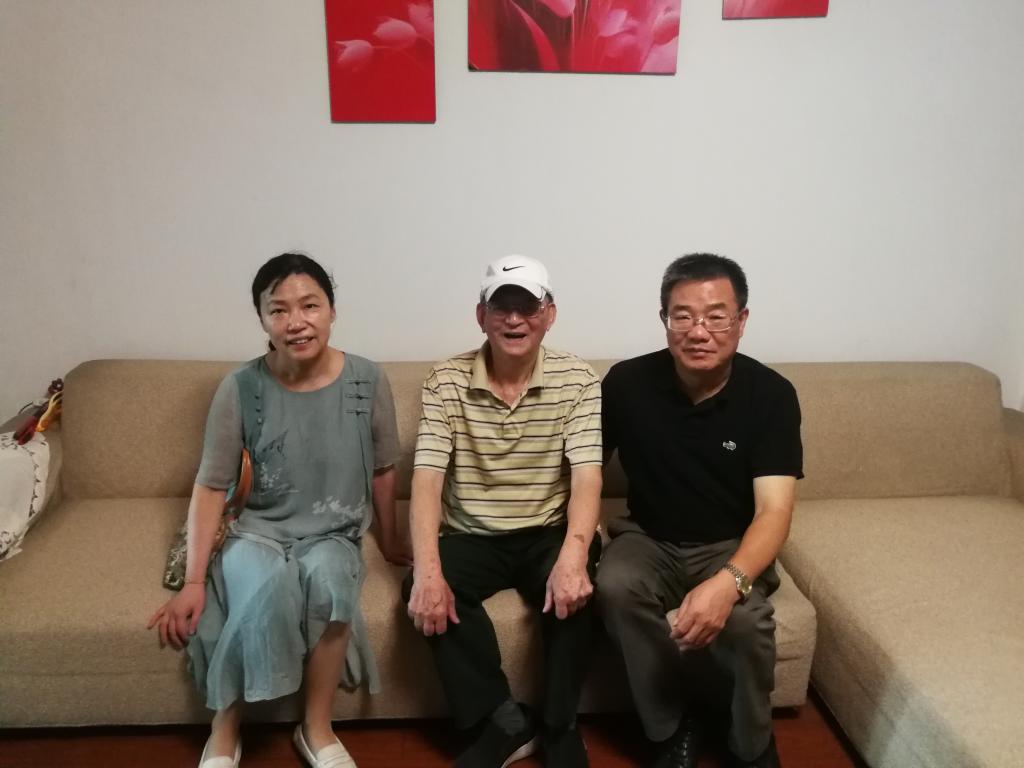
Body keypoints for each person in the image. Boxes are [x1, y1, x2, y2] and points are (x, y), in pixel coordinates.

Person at [147, 253, 408, 768]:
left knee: (331, 583)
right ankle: (225, 729)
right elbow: (211, 486)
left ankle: (316, 728)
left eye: (310, 305)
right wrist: (194, 581)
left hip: (333, 532)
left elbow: (382, 470)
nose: (296, 322)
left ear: (332, 310)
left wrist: (391, 539)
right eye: (279, 310)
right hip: (256, 530)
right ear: (263, 319)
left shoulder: (367, 380)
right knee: (264, 585)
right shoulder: (240, 388)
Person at [596, 254, 803, 768]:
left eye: (716, 316)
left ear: (742, 320)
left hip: (731, 540)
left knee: (746, 623)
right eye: (682, 315)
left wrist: (728, 582)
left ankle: (751, 745)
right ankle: (669, 728)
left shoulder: (772, 395)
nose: (698, 331)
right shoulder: (625, 383)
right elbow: (583, 472)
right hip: (648, 536)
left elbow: (774, 509)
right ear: (664, 319)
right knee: (615, 586)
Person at [403, 255, 603, 768]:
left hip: (547, 529)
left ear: (549, 314)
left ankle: (560, 725)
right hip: (471, 532)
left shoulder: (579, 378)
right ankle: (504, 720)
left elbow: (587, 477)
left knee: (579, 585)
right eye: (501, 307)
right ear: (481, 316)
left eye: (528, 307)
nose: (515, 320)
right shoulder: (445, 379)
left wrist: (574, 557)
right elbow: (426, 480)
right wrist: (427, 570)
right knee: (422, 586)